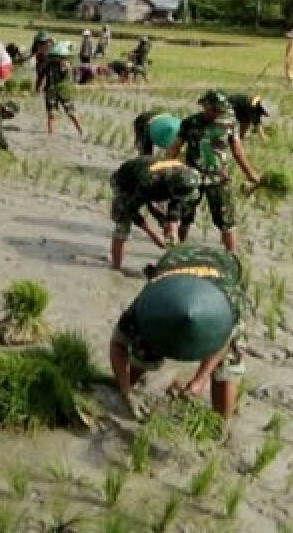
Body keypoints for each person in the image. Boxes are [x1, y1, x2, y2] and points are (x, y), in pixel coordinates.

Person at [109, 247, 245, 420]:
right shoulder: (146, 305)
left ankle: (221, 428)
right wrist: (126, 391)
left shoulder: (227, 305)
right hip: (176, 260)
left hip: (221, 270)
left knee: (226, 366)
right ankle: (128, 385)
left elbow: (224, 341)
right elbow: (118, 344)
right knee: (144, 348)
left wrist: (199, 381)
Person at [165, 90, 262, 254]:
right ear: (205, 106)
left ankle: (232, 257)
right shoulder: (190, 123)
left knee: (227, 222)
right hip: (192, 177)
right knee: (184, 218)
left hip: (218, 179)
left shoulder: (230, 124)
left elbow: (238, 151)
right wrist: (169, 170)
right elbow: (174, 148)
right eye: (215, 110)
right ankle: (177, 253)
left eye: (220, 110)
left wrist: (250, 173)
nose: (218, 113)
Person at [108, 156, 200, 273]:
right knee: (123, 223)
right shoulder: (150, 181)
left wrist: (173, 228)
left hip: (158, 184)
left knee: (166, 223)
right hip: (125, 182)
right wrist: (153, 234)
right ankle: (115, 268)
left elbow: (176, 202)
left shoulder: (187, 176)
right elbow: (131, 208)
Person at [43, 42, 83, 137]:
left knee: (71, 113)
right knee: (51, 113)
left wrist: (64, 66)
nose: (60, 58)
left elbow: (71, 76)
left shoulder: (67, 65)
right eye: (57, 56)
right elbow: (44, 75)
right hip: (50, 91)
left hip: (64, 92)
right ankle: (50, 134)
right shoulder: (49, 64)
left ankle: (81, 132)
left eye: (62, 57)